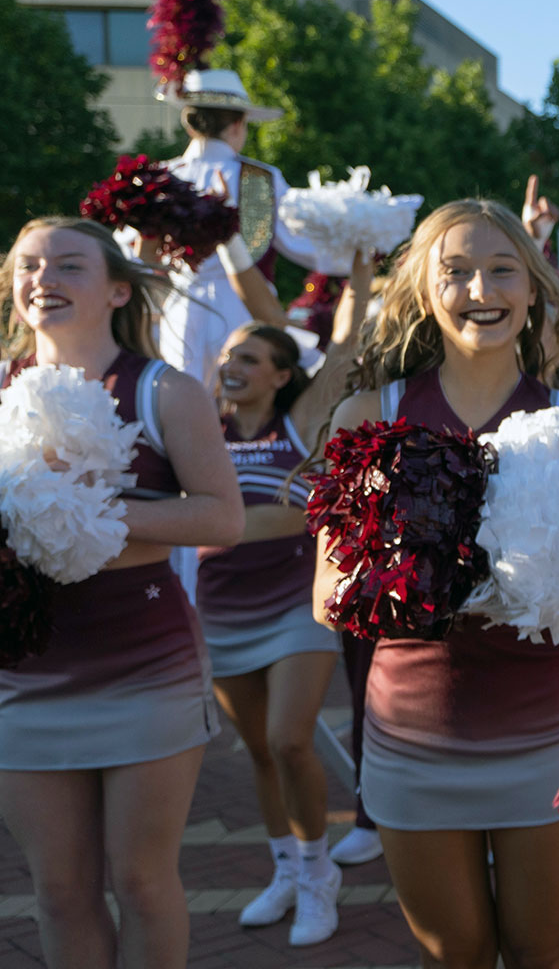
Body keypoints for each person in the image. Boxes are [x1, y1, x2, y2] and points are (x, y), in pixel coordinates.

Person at [308, 200, 559, 969]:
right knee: (454, 955)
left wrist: (512, 581)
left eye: (501, 269)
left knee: (543, 950)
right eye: (455, 271)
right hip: (414, 740)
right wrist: (425, 579)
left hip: (543, 737)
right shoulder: (369, 414)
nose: (480, 288)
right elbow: (327, 599)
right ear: (423, 290)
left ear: (535, 289)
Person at [0, 217, 244, 969]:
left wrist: (85, 515)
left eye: (68, 266)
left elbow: (223, 516)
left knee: (140, 881)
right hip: (22, 672)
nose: (44, 279)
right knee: (60, 890)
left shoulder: (162, 389)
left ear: (114, 289)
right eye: (29, 267)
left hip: (146, 669)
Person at [202, 251, 371, 946]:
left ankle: (316, 876)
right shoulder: (198, 430)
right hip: (222, 609)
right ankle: (286, 869)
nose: (234, 364)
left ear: (279, 374)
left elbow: (346, 351)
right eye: (228, 355)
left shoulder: (300, 424)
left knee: (289, 739)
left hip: (293, 605)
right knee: (259, 753)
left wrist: (359, 284)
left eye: (252, 356)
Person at [143, 68, 322, 383]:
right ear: (238, 124)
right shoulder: (260, 178)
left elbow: (136, 254)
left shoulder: (159, 177)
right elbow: (303, 246)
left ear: (189, 122)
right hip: (246, 308)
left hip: (179, 309)